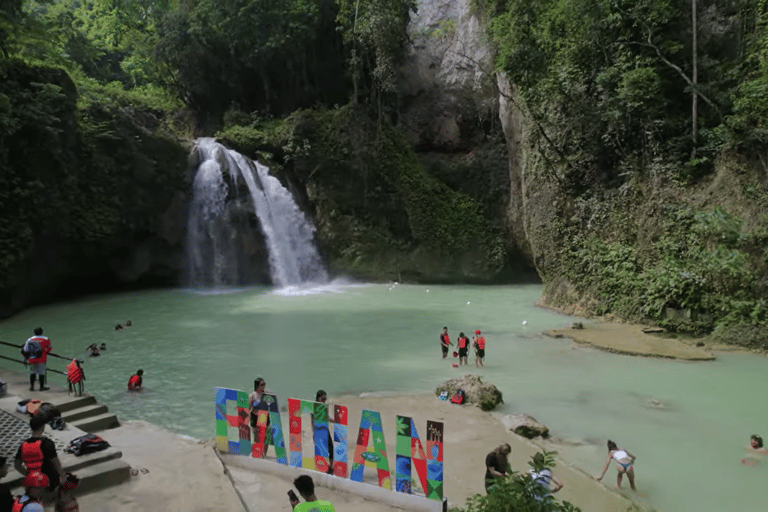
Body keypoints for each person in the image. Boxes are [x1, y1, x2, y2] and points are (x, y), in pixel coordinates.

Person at [15, 414, 64, 493]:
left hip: (34, 482)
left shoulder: (23, 445)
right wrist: (63, 475)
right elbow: (56, 462)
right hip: (50, 479)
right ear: (43, 427)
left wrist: (27, 474)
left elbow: (17, 465)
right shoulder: (47, 443)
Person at [314, 390, 334, 475]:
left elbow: (326, 417)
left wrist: (335, 421)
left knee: (331, 448)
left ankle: (331, 467)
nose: (324, 401)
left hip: (325, 430)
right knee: (321, 451)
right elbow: (313, 421)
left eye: (325, 399)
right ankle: (323, 468)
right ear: (318, 398)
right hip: (318, 431)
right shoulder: (314, 407)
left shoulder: (323, 406)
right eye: (323, 399)